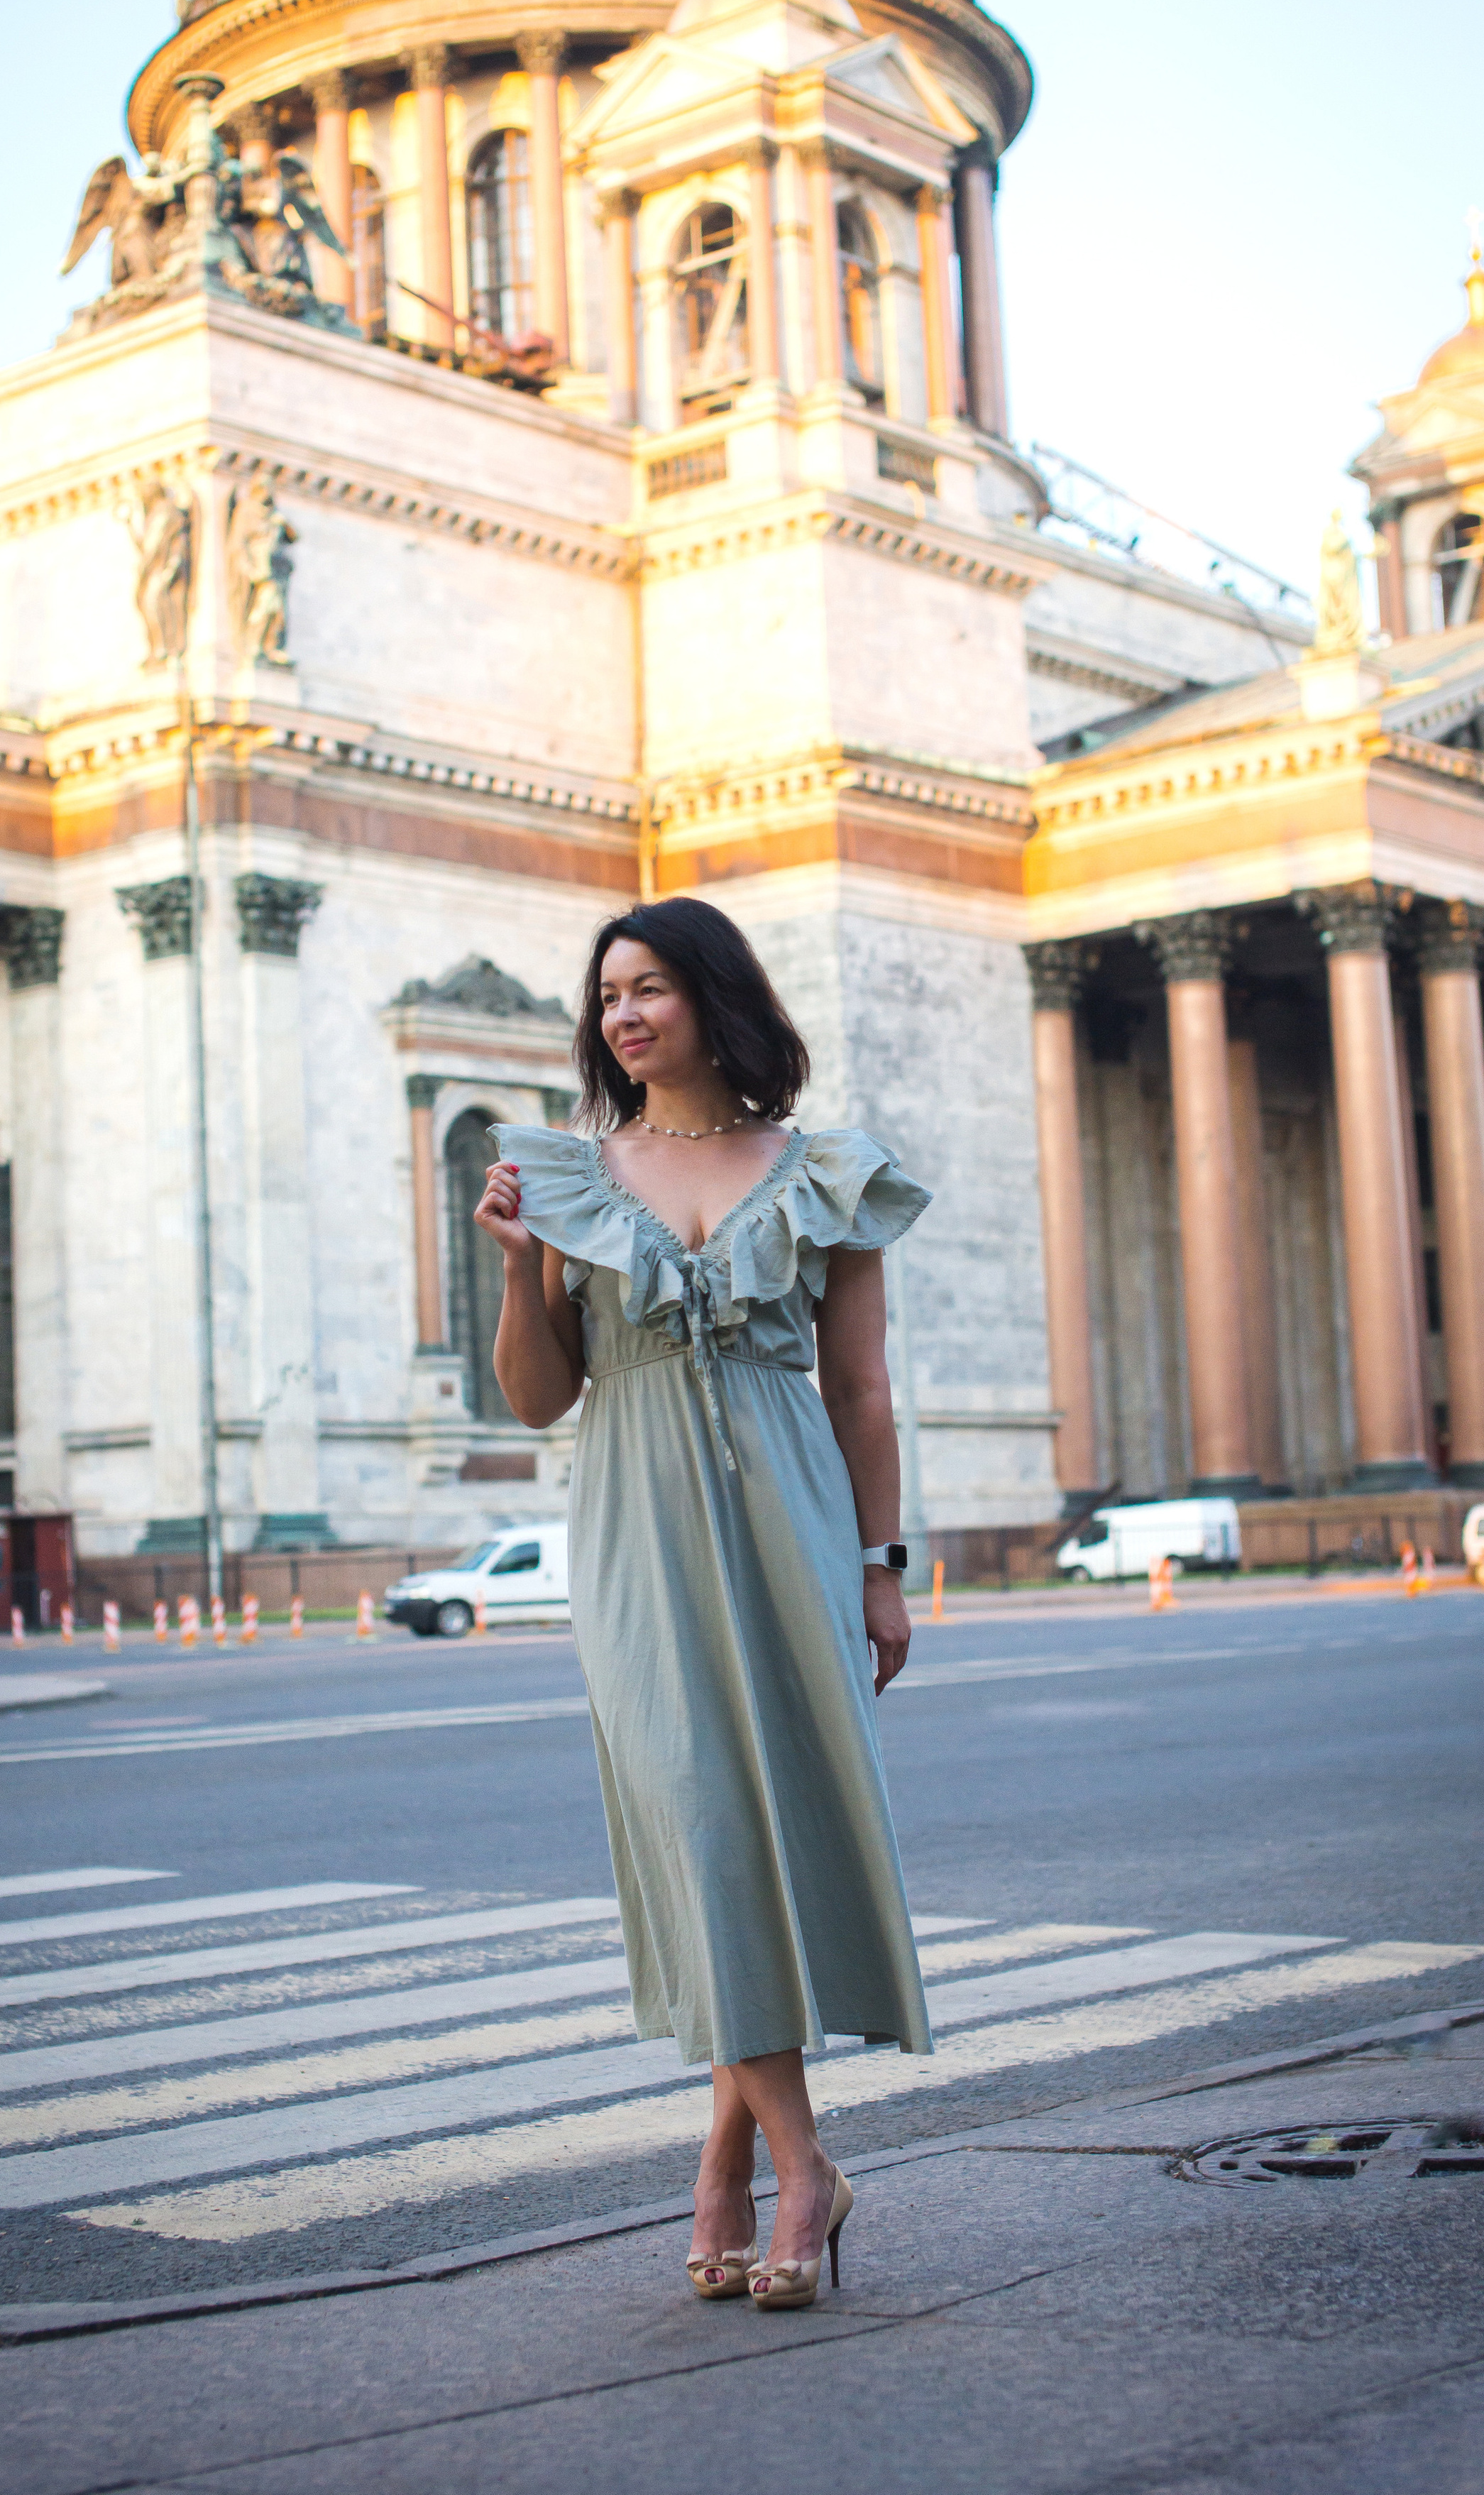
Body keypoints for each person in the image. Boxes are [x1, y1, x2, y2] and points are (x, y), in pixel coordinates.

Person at [475, 896, 932, 2311]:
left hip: (791, 1517)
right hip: (634, 1522)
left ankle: (725, 2159)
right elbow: (544, 1395)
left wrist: (879, 1563)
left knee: (778, 1829)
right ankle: (809, 2169)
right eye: (606, 993)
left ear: (714, 998)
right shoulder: (564, 1174)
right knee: (695, 1822)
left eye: (650, 987)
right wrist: (513, 1268)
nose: (620, 1014)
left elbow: (857, 1389)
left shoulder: (824, 1171)